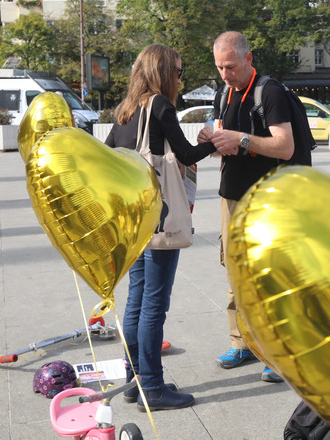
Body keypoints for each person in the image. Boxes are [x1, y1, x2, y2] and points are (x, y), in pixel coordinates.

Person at [105, 44, 216, 412]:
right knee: (154, 305)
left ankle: (134, 381)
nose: (181, 79)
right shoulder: (160, 106)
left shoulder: (124, 109)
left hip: (132, 221)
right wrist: (211, 141)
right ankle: (152, 387)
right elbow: (185, 154)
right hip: (159, 218)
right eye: (179, 71)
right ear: (162, 71)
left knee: (136, 301)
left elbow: (109, 158)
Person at [201, 31, 299, 383]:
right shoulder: (223, 93)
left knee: (268, 275)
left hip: (267, 199)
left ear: (248, 58)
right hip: (232, 195)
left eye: (230, 66)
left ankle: (275, 352)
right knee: (234, 271)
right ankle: (241, 342)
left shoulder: (268, 91)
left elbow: (285, 146)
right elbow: (221, 149)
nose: (224, 74)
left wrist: (241, 138)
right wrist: (211, 142)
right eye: (219, 67)